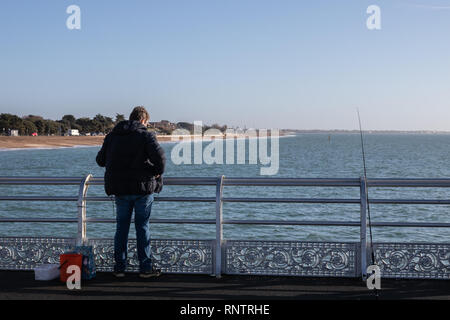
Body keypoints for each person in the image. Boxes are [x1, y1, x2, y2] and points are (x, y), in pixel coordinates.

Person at [96, 106, 166, 278]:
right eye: (147, 122)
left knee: (121, 228)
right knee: (142, 227)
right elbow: (161, 159)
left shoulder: (112, 136)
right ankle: (145, 269)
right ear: (143, 120)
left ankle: (119, 268)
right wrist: (156, 171)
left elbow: (100, 160)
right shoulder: (146, 135)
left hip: (120, 189)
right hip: (142, 188)